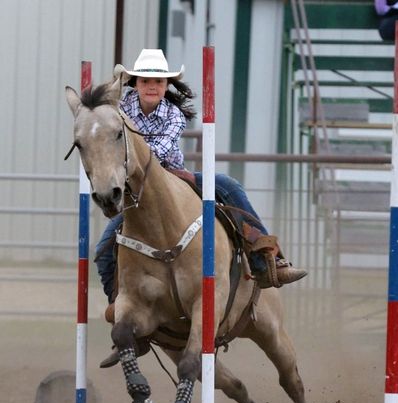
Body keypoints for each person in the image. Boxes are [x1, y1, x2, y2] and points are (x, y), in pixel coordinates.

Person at [96, 49, 307, 367]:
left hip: (174, 180)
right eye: (146, 80)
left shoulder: (172, 114)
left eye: (158, 81)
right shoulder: (121, 110)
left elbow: (155, 154)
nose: (152, 86)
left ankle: (267, 258)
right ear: (135, 83)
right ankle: (120, 304)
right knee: (103, 248)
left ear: (166, 85)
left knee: (228, 186)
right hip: (137, 194)